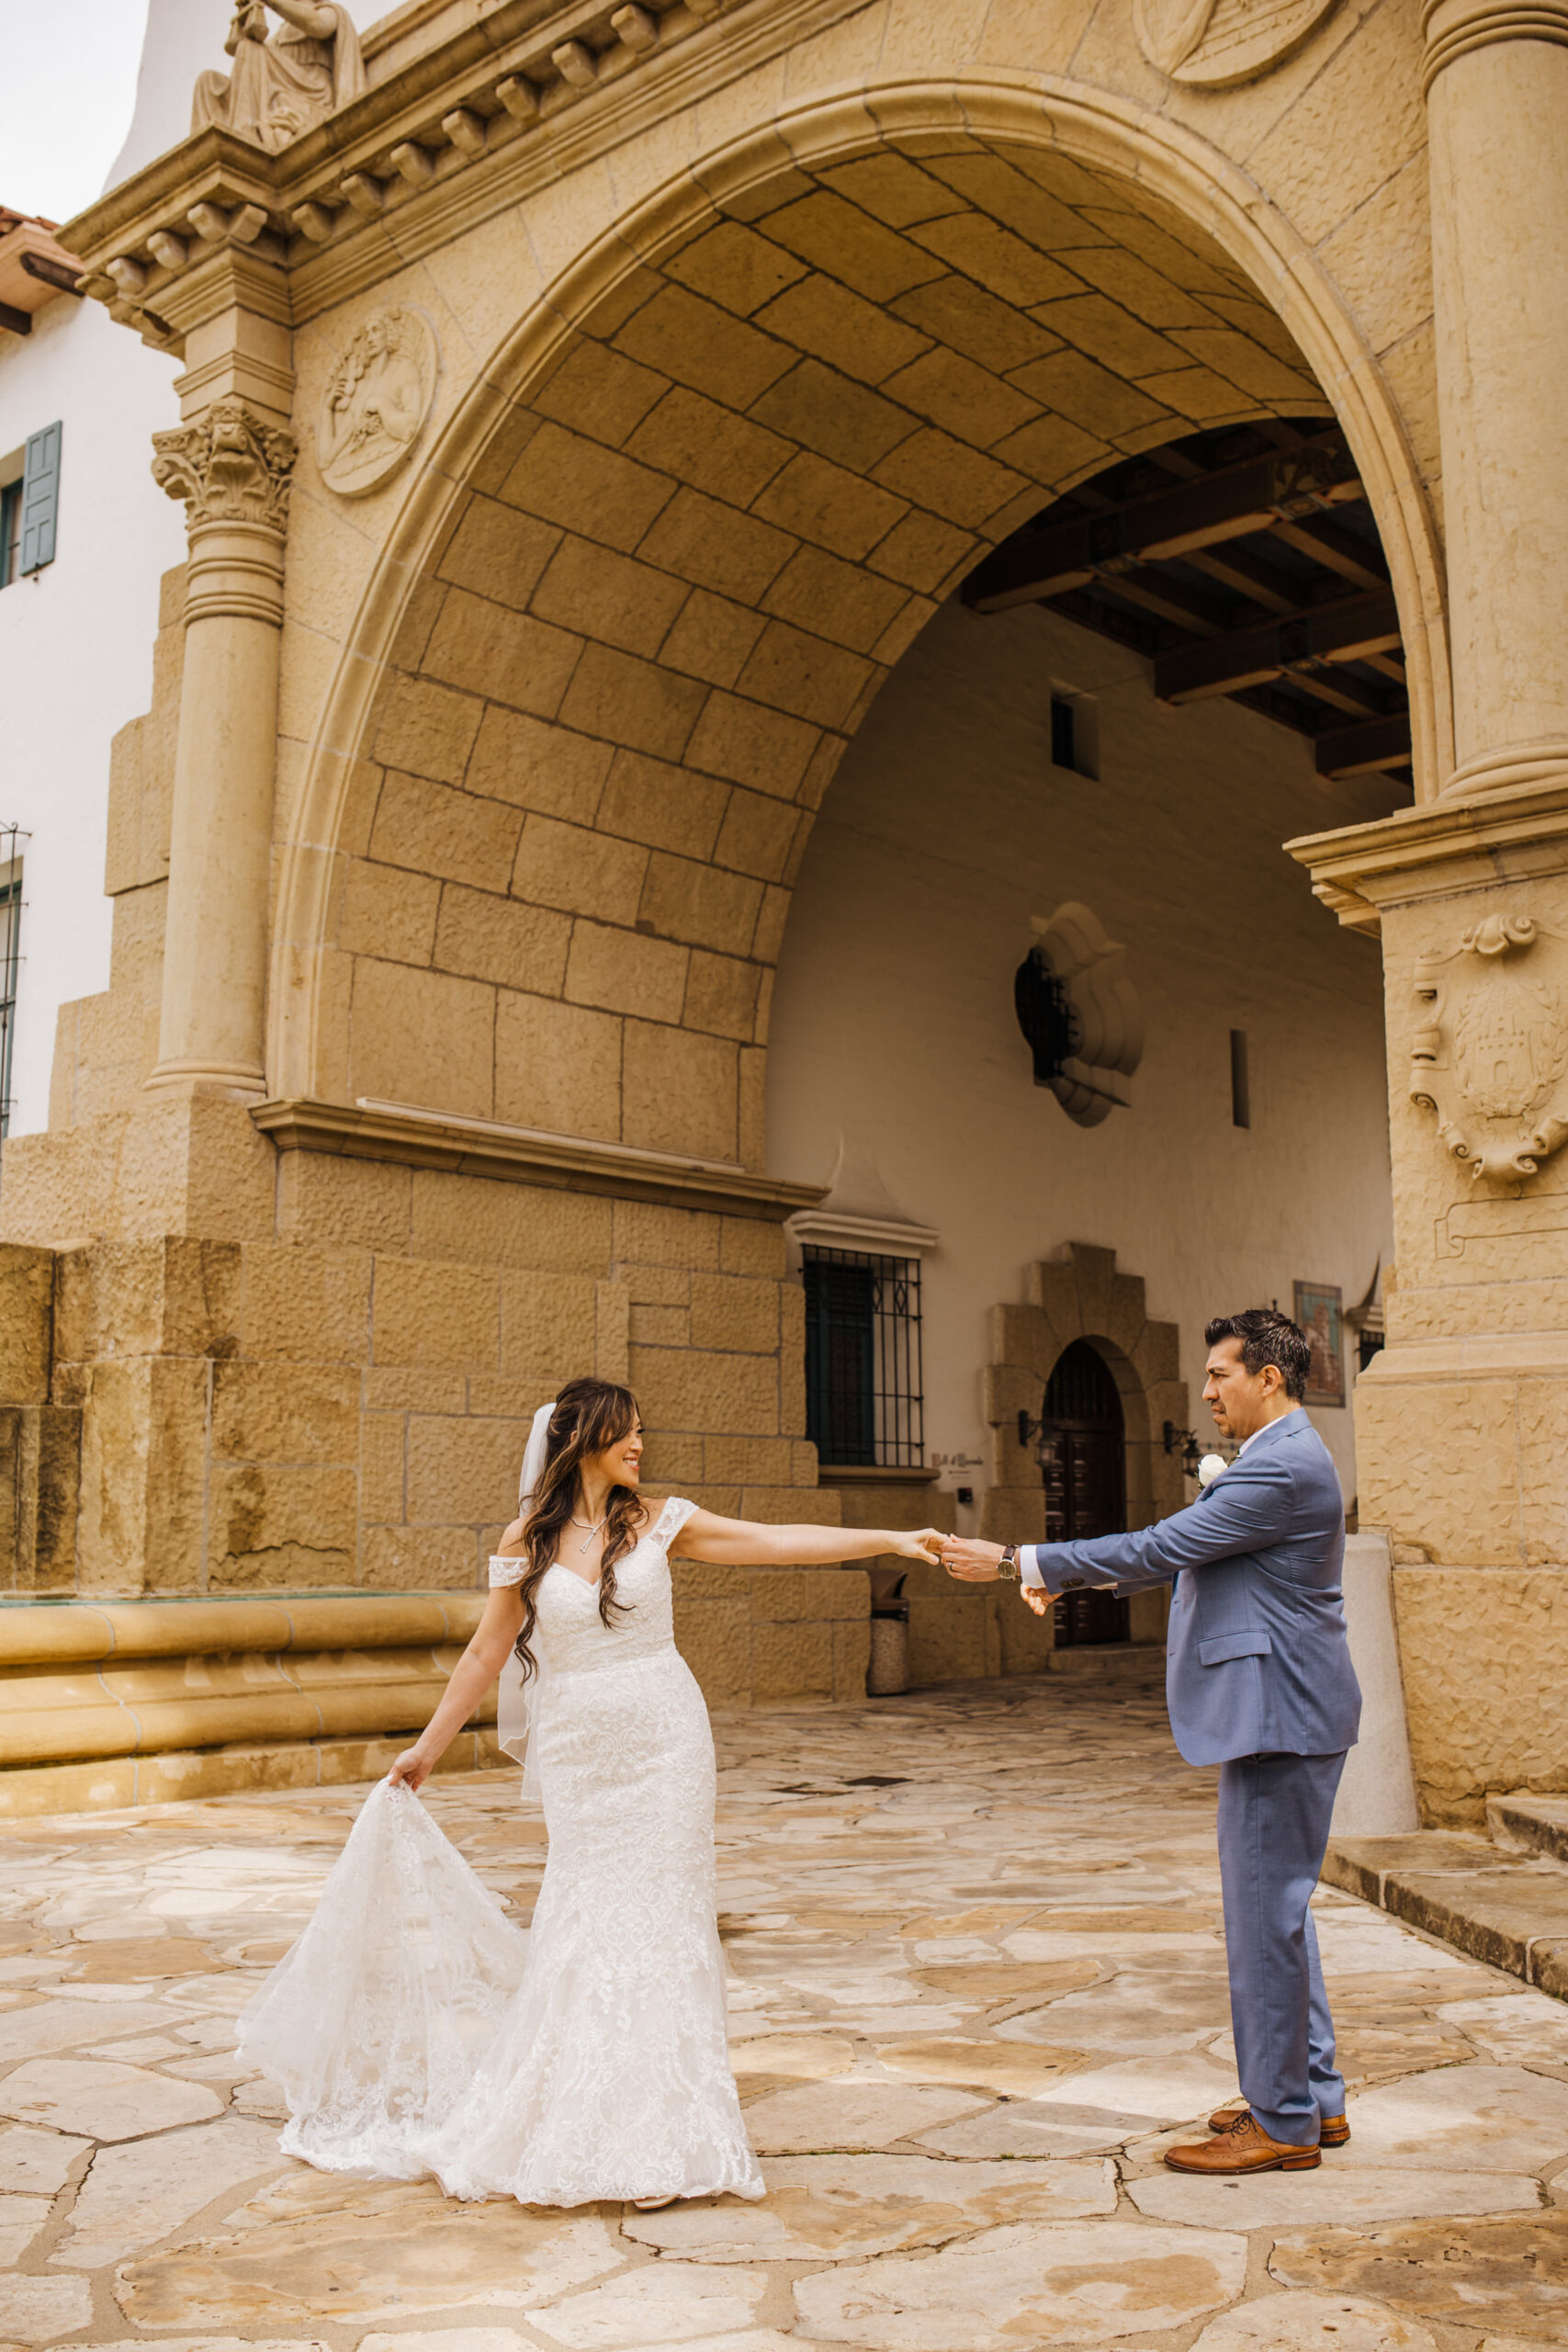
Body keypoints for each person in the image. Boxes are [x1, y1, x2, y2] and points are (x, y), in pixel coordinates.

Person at [239, 1376, 942, 2210]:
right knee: (586, 1916)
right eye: (625, 1433)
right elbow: (483, 1655)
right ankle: (579, 2111)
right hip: (581, 1755)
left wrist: (894, 1538)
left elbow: (773, 1541)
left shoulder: (659, 1521)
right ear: (581, 1440)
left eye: (643, 1431)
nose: (641, 1445)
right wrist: (427, 1749)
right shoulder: (527, 1541)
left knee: (665, 1914)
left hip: (665, 1741)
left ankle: (663, 2130)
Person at [940, 1308, 1361, 2177]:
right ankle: (1312, 2098)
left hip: (1277, 1713)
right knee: (1279, 1913)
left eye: (1219, 1375)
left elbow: (1164, 1545)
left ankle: (1281, 2121)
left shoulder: (1278, 1470)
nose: (1206, 1391)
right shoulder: (1283, 1458)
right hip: (1288, 1707)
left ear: (1268, 1379)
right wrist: (1062, 1580)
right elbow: (1183, 1550)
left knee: (1260, 1920)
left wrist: (1020, 1561)